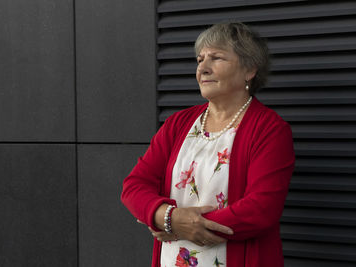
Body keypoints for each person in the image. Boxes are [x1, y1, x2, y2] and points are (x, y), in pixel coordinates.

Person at [121, 22, 295, 267]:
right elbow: (134, 185)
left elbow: (260, 208)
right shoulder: (177, 124)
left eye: (217, 58)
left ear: (250, 70)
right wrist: (168, 217)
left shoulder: (270, 130)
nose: (203, 68)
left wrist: (181, 227)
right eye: (200, 59)